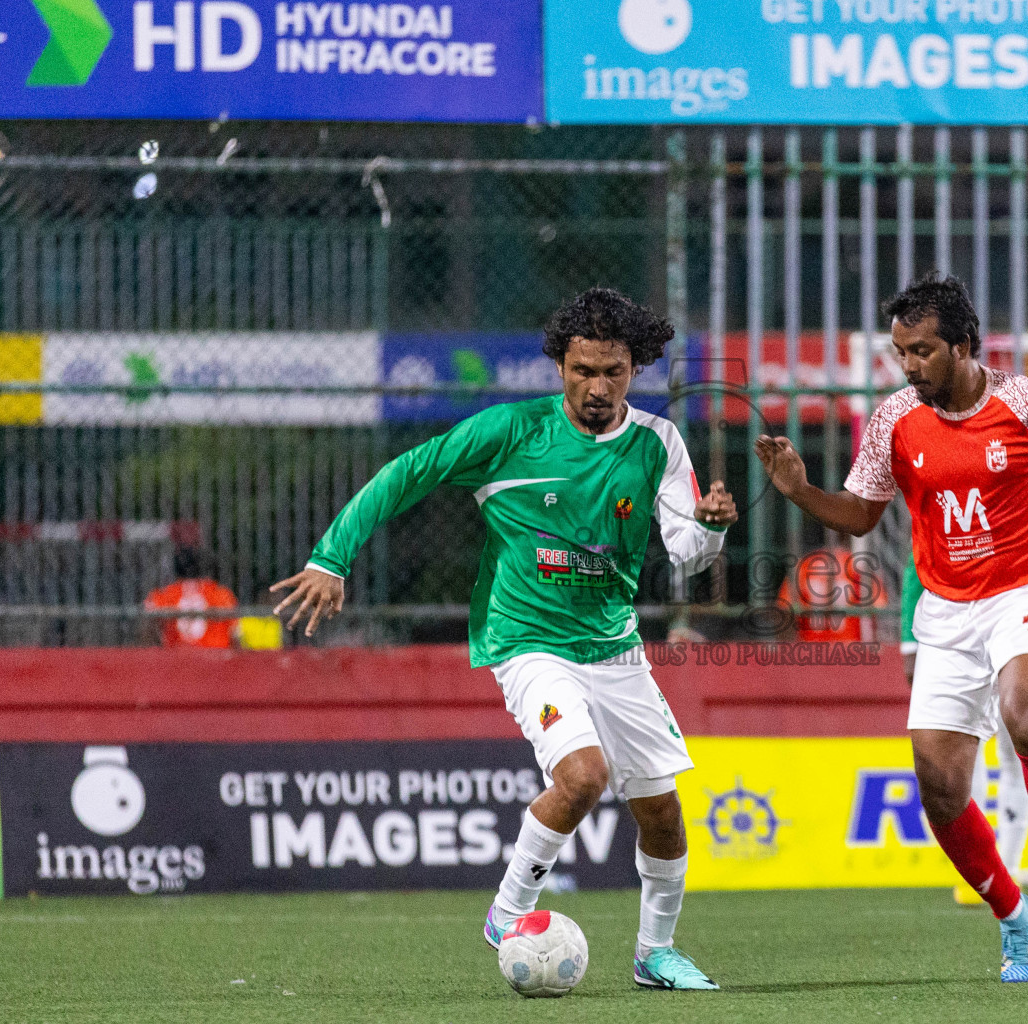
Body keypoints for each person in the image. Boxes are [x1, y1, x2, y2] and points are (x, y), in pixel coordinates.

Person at [270, 288, 736, 991]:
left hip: (614, 647)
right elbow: (407, 473)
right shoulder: (511, 433)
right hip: (525, 641)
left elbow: (686, 552)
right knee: (581, 776)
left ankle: (653, 954)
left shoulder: (657, 444)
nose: (598, 385)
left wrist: (711, 526)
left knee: (663, 814)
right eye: (583, 369)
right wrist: (332, 557)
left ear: (634, 370)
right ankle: (509, 910)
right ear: (559, 368)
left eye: (613, 370)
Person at [756, 272, 1028, 984]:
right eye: (901, 351)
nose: (909, 365)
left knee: (1026, 720)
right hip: (947, 611)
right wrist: (801, 492)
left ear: (966, 346)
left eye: (924, 351)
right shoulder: (894, 420)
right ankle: (1014, 918)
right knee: (938, 785)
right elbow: (862, 514)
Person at [903, 466, 1028, 907]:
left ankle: (1015, 864)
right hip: (961, 635)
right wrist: (908, 639)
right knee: (956, 761)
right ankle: (991, 872)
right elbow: (918, 563)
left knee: (1023, 745)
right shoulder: (954, 493)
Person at [144, 546, 239, 648]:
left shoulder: (167, 593)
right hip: (215, 655)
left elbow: (148, 623)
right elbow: (236, 632)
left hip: (177, 656)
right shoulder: (220, 594)